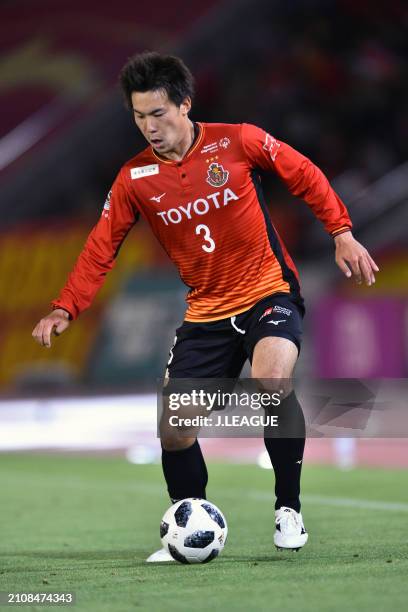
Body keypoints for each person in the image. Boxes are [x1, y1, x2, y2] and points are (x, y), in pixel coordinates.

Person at [32, 51, 379, 562]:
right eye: (138, 116)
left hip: (268, 290)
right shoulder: (133, 179)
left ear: (185, 104)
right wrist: (66, 307)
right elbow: (100, 247)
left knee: (271, 383)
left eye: (158, 113)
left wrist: (342, 232)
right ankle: (188, 521)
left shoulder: (238, 140)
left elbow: (303, 173)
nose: (148, 127)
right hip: (206, 313)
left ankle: (289, 508)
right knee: (173, 426)